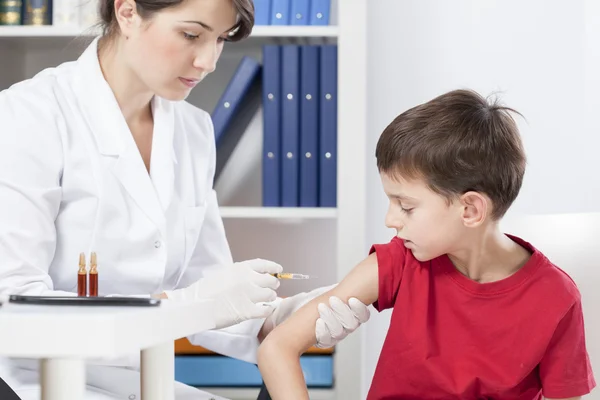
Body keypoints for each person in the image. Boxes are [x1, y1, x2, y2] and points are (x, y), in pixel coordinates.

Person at [0, 0, 371, 399]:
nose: (208, 61)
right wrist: (183, 303)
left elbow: (207, 293)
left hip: (139, 379)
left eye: (221, 40)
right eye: (191, 35)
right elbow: (14, 308)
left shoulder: (193, 130)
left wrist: (288, 315)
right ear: (127, 13)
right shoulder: (27, 115)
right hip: (34, 381)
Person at [256, 89, 597, 400]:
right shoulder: (401, 262)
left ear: (470, 209)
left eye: (406, 206)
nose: (391, 219)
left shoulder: (556, 298)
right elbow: (278, 347)